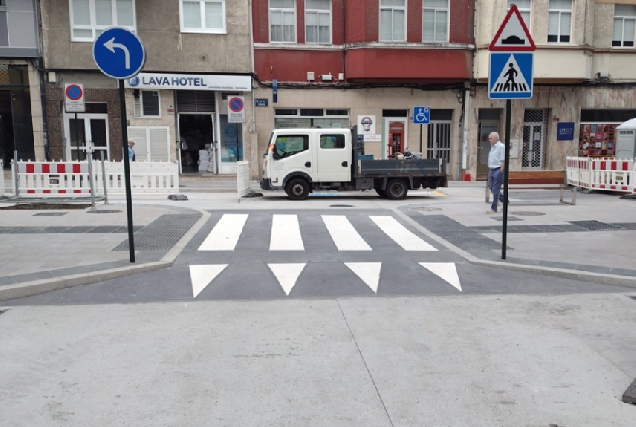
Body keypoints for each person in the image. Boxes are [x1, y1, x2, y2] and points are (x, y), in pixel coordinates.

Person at [487, 132, 505, 214]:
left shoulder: (501, 147)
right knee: (492, 188)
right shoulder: (492, 147)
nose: (489, 140)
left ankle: (494, 208)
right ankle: (505, 200)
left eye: (490, 138)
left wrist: (501, 169)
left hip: (498, 169)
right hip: (491, 169)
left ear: (496, 138)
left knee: (495, 189)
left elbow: (503, 159)